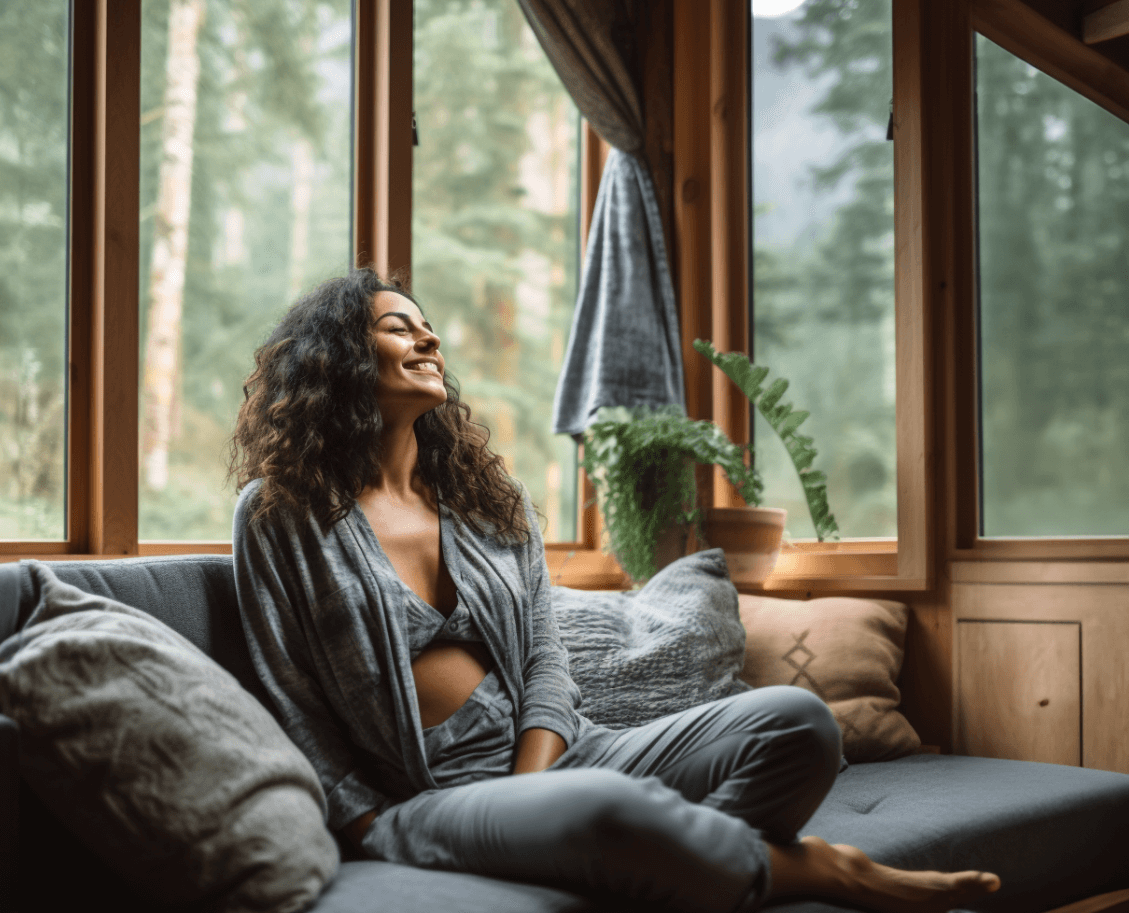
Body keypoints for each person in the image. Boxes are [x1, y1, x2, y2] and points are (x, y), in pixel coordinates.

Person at [228, 268, 1001, 913]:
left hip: (563, 752)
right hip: (430, 792)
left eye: (426, 326)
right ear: (334, 360)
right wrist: (363, 819)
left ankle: (684, 873)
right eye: (398, 327)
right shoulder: (282, 512)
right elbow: (287, 691)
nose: (428, 338)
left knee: (798, 724)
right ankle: (823, 870)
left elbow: (546, 661)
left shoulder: (483, 500)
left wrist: (533, 781)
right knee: (605, 810)